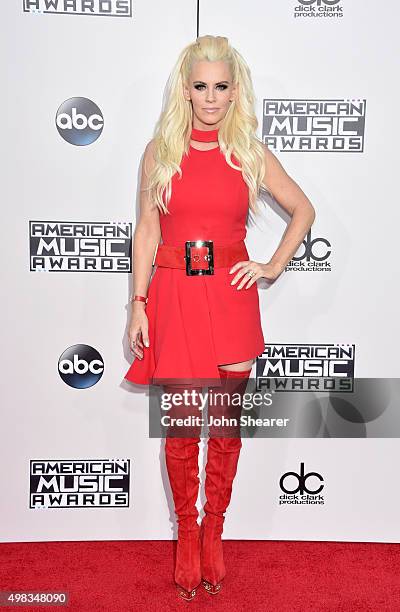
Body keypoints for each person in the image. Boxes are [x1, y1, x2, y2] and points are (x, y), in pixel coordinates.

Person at [124, 35, 315, 601]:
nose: (211, 97)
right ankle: (187, 531)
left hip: (231, 298)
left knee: (226, 431)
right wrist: (137, 303)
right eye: (201, 86)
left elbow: (303, 208)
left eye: (221, 87)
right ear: (185, 90)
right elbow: (148, 231)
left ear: (236, 92)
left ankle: (215, 530)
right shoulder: (160, 152)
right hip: (174, 296)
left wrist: (272, 266)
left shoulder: (248, 153)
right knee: (182, 432)